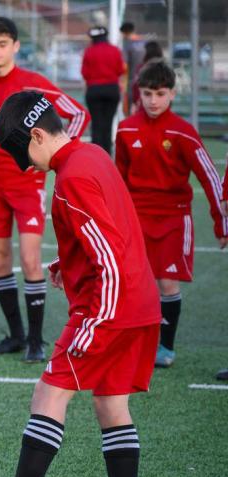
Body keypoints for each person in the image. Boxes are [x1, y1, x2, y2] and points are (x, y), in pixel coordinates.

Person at [0, 90, 161, 477]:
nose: (26, 167)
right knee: (111, 403)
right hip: (139, 304)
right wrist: (64, 265)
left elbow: (107, 254)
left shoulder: (71, 179)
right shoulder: (91, 155)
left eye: (22, 155)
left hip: (108, 307)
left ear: (37, 134)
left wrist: (98, 318)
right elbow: (114, 229)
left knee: (49, 392)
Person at [0, 17, 90, 362]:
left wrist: (59, 155)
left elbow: (78, 114)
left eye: (2, 44)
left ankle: (35, 339)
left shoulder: (34, 86)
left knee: (31, 260)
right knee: (0, 258)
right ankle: (15, 336)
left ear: (16, 46)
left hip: (28, 184)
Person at [114, 61, 226, 368]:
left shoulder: (183, 132)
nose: (153, 100)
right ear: (139, 93)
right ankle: (139, 343)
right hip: (136, 218)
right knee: (137, 283)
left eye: (160, 94)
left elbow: (210, 178)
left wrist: (222, 223)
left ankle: (165, 347)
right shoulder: (126, 128)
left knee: (167, 283)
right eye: (148, 93)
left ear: (173, 94)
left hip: (174, 218)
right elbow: (118, 180)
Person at [81, 26, 124, 154]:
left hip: (94, 90)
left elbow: (85, 73)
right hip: (112, 89)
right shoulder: (115, 50)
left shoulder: (89, 51)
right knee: (108, 123)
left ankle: (96, 154)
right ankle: (107, 153)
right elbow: (120, 70)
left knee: (96, 124)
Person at [129, 41, 164, 111]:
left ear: (147, 52)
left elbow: (135, 86)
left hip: (144, 106)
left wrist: (134, 101)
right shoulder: (165, 68)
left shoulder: (142, 68)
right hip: (162, 106)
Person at [120, 22, 146, 115]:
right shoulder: (144, 43)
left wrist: (122, 82)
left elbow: (124, 65)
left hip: (132, 81)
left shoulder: (128, 45)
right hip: (146, 80)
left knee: (130, 109)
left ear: (124, 33)